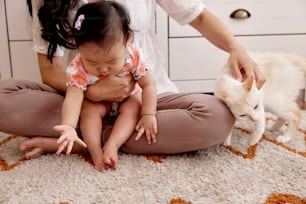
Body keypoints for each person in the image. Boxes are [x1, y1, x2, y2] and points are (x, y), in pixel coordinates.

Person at [0, 0, 265, 160]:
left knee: (217, 117)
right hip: (81, 101)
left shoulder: (135, 59)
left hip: (149, 101)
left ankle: (87, 140)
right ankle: (87, 135)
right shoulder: (49, 4)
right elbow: (49, 71)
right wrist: (92, 92)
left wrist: (235, 48)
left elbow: (199, 16)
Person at [54, 1, 157, 171]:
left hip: (127, 99)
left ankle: (113, 144)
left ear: (128, 39)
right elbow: (73, 97)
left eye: (111, 61)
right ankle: (94, 148)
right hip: (99, 104)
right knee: (89, 110)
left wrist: (148, 114)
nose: (102, 69)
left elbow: (148, 86)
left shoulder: (133, 56)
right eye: (92, 62)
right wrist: (69, 126)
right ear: (77, 46)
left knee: (134, 106)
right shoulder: (77, 65)